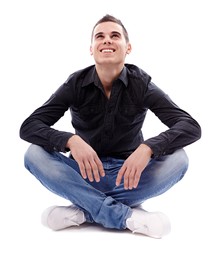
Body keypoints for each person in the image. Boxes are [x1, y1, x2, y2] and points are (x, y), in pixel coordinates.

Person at [19, 14, 201, 238]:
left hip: (129, 177)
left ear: (128, 48)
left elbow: (190, 126)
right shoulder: (75, 84)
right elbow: (29, 126)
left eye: (115, 36)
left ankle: (84, 210)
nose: (107, 40)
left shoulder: (141, 84)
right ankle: (127, 217)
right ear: (91, 48)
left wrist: (148, 148)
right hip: (82, 176)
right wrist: (70, 140)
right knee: (33, 154)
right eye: (100, 36)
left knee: (179, 159)